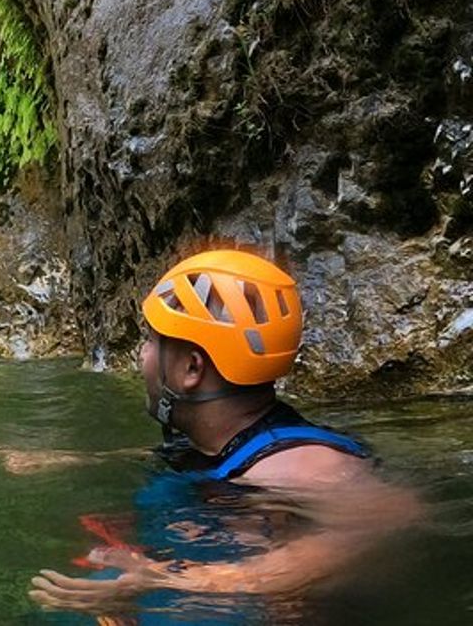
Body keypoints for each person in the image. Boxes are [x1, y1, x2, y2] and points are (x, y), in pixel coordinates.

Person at [26, 248, 420, 616]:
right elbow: (202, 464)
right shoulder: (209, 440)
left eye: (151, 340)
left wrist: (174, 579)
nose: (141, 355)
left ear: (192, 369)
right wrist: (75, 460)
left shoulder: (300, 465)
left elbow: (393, 517)